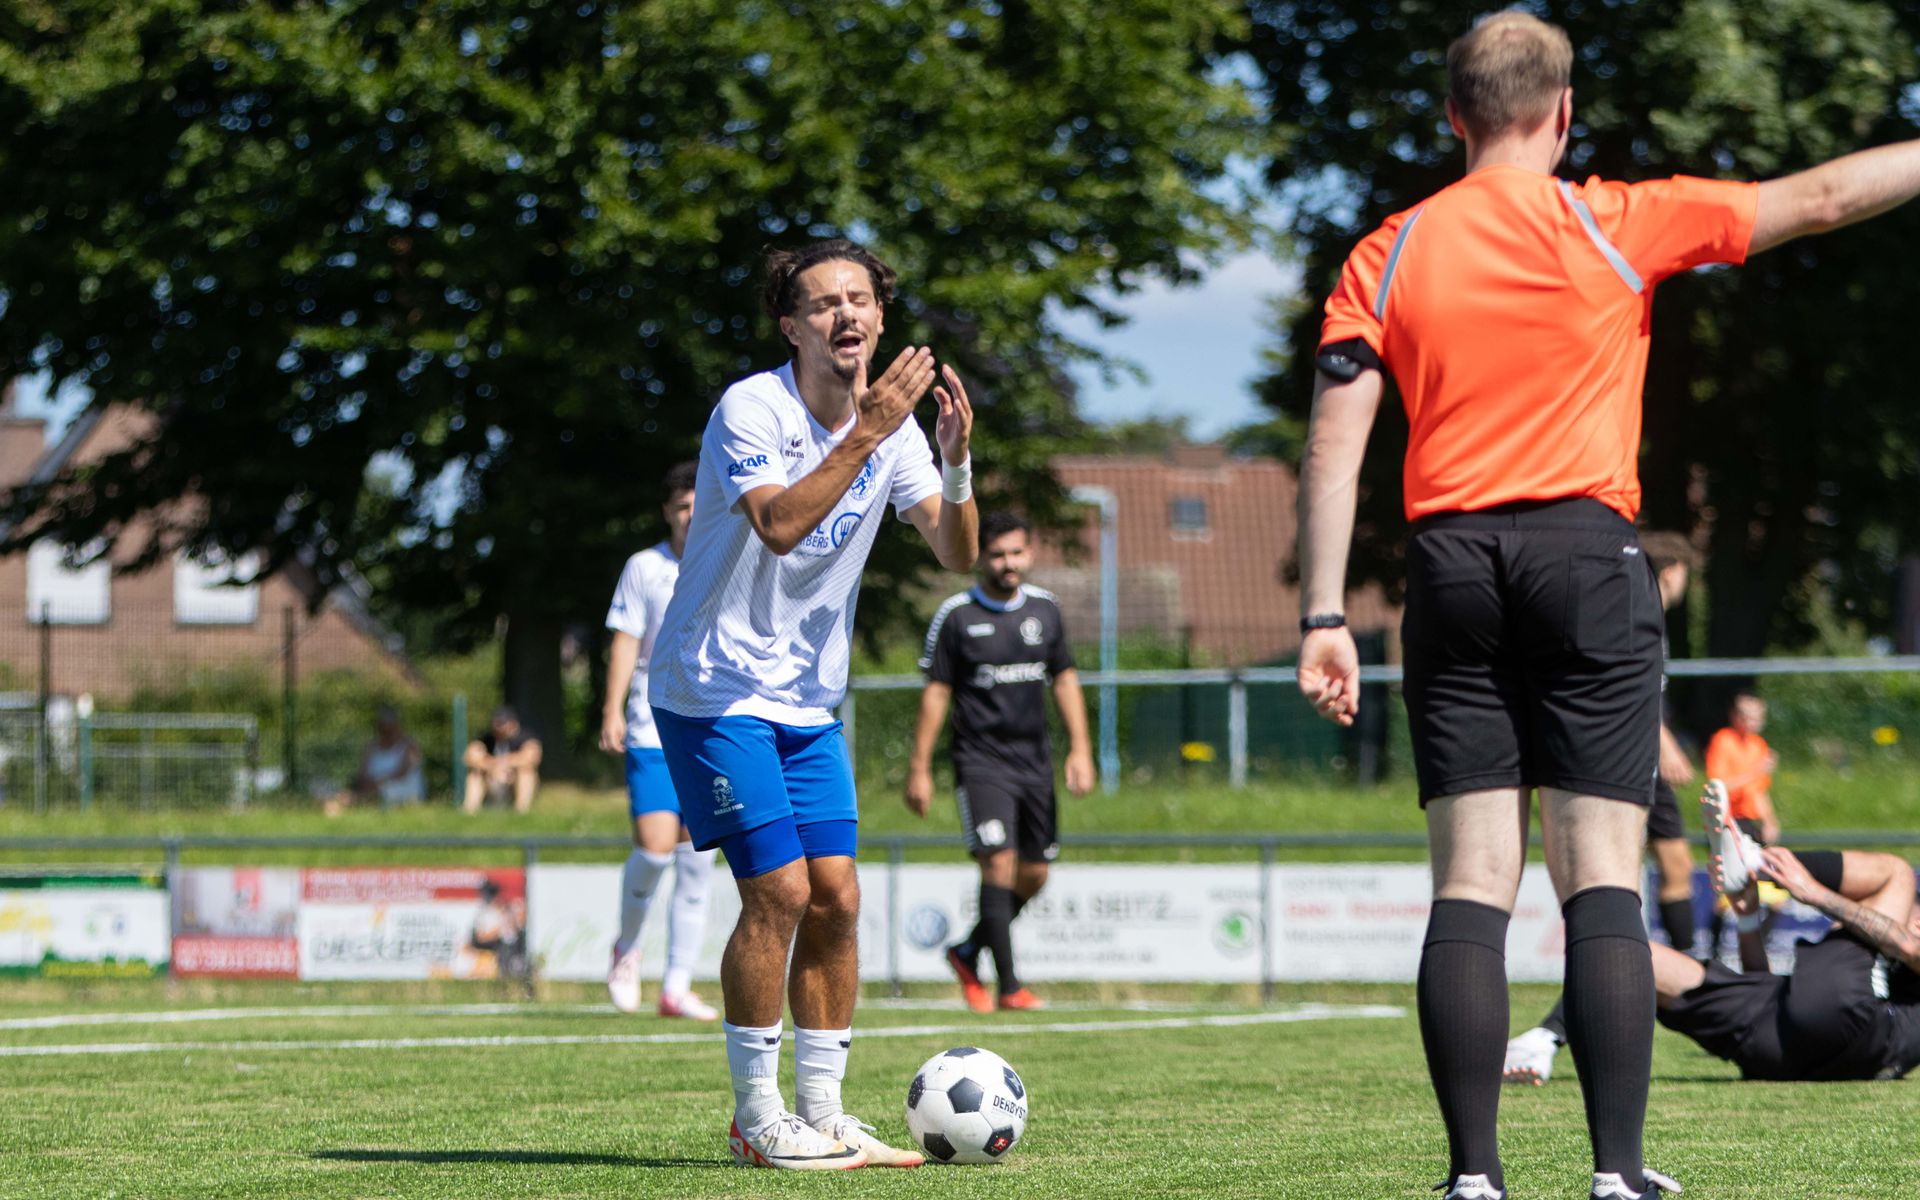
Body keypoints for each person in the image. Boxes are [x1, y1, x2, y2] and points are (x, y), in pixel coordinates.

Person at [1292, 12, 1920, 1200]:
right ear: (1565, 111)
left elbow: (1336, 439)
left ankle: (1473, 1177)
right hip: (1588, 557)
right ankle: (1617, 1172)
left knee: (1472, 881)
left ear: (1452, 115)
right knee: (1601, 880)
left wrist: (1325, 614)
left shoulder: (1391, 247)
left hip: (1452, 562)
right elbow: (1828, 197)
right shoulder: (1614, 217)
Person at [649, 239, 977, 1170]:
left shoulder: (899, 430)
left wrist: (953, 464)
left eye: (861, 299)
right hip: (713, 689)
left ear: (879, 317)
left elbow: (956, 553)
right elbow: (783, 526)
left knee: (836, 899)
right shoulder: (752, 407)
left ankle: (824, 1112)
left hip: (806, 701)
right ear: (791, 326)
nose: (848, 314)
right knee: (780, 891)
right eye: (825, 302)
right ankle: (757, 1117)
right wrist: (870, 430)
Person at [1504, 533, 1705, 1083]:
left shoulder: (1644, 612)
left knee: (1677, 869)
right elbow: (1632, 691)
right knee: (1617, 898)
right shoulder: (1636, 607)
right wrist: (1666, 745)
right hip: (1631, 756)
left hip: (1638, 756)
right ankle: (1549, 1032)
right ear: (1671, 573)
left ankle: (1691, 970)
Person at [905, 511, 1095, 1013]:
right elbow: (936, 695)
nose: (1008, 563)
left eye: (1016, 552)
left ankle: (968, 951)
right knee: (999, 862)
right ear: (980, 558)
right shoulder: (957, 616)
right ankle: (1009, 986)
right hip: (980, 764)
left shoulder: (1046, 610)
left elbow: (1066, 680)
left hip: (1035, 763)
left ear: (1029, 554)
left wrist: (1081, 749)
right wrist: (919, 768)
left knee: (1034, 874)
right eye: (997, 554)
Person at [598, 460, 719, 1020]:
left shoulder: (728, 559)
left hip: (716, 726)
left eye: (700, 504)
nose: (692, 516)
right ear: (668, 513)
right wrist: (612, 707)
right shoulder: (644, 567)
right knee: (653, 850)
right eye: (682, 508)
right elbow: (625, 641)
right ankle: (626, 951)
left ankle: (676, 985)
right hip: (652, 723)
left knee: (697, 858)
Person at [324, 706, 424, 817]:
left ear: (396, 725)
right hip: (372, 787)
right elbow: (362, 772)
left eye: (388, 728)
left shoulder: (409, 746)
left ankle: (339, 804)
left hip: (400, 790)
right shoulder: (371, 746)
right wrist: (368, 782)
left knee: (375, 793)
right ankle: (337, 802)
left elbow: (402, 773)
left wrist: (379, 782)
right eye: (382, 727)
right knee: (362, 790)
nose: (385, 732)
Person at [461, 707, 543, 814]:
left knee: (526, 772)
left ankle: (521, 811)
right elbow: (469, 756)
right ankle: (469, 811)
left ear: (513, 723)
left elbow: (531, 757)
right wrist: (494, 768)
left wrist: (500, 764)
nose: (498, 727)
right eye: (496, 723)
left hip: (513, 782)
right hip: (492, 780)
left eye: (502, 723)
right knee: (475, 774)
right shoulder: (487, 739)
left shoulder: (525, 737)